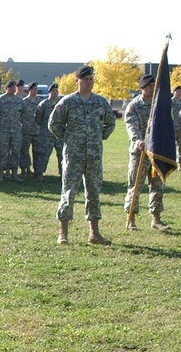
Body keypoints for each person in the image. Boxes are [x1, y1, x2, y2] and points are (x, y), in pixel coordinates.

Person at [48, 65, 116, 246]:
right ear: (77, 81)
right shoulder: (68, 102)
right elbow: (53, 124)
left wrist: (99, 137)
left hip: (94, 156)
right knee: (68, 192)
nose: (89, 81)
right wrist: (68, 138)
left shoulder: (101, 102)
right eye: (85, 79)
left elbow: (110, 123)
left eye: (91, 79)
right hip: (74, 155)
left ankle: (94, 233)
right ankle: (63, 233)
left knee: (93, 192)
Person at [123, 74, 169, 231]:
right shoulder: (134, 106)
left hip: (157, 153)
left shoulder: (159, 105)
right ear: (142, 87)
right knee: (135, 185)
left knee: (157, 185)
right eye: (149, 85)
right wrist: (138, 141)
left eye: (154, 85)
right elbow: (131, 126)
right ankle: (131, 219)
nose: (152, 87)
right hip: (140, 152)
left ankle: (156, 218)